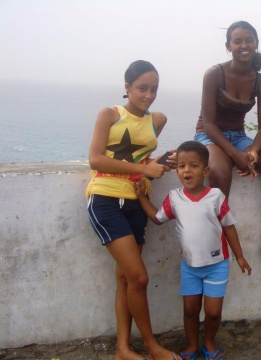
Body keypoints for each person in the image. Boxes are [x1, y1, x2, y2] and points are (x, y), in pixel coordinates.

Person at [86, 60, 180, 360]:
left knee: (126, 278)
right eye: (142, 88)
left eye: (153, 89)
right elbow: (96, 159)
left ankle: (123, 349)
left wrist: (164, 161)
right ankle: (152, 346)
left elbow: (143, 160)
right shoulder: (110, 114)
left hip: (136, 200)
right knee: (138, 277)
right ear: (127, 87)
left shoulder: (158, 120)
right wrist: (142, 169)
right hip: (106, 199)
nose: (149, 95)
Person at [194, 20, 261, 267]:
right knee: (219, 172)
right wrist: (235, 155)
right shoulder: (214, 74)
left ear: (256, 44)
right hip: (210, 135)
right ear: (228, 46)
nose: (244, 45)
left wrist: (252, 150)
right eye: (237, 40)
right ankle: (214, 243)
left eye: (249, 40)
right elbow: (208, 123)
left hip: (239, 136)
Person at [135, 140, 252, 360]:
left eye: (194, 165)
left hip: (218, 264)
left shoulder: (216, 196)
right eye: (181, 166)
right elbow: (158, 218)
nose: (187, 170)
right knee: (190, 310)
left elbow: (229, 227)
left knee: (213, 312)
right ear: (177, 170)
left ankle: (209, 342)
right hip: (189, 266)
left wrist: (240, 256)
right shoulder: (174, 198)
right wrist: (141, 197)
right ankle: (191, 345)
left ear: (205, 170)